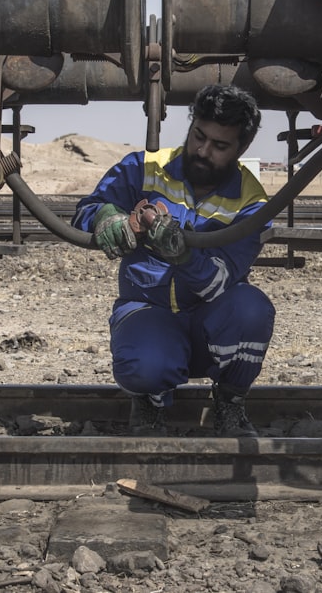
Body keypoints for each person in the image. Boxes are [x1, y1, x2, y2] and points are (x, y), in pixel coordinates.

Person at [72, 84, 275, 437]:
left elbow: (220, 279)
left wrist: (181, 254)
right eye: (198, 135)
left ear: (241, 148)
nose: (202, 150)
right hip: (148, 311)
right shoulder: (144, 167)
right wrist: (106, 217)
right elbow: (87, 210)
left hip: (211, 321)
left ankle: (230, 401)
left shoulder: (251, 202)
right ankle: (149, 400)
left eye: (219, 146)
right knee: (143, 366)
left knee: (252, 308)